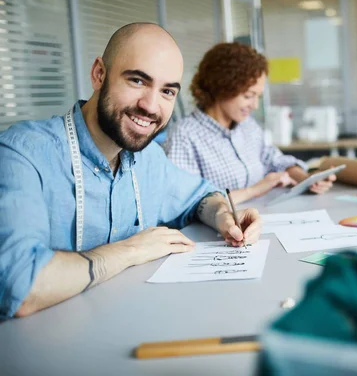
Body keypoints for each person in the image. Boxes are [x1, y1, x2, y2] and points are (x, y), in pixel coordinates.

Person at [0, 23, 262, 319]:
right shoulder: (22, 153)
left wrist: (224, 215)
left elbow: (199, 197)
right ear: (99, 74)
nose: (150, 106)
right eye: (137, 80)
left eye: (167, 91)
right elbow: (20, 286)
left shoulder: (148, 158)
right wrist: (130, 251)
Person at [163, 42, 335, 204]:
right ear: (221, 87)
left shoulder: (247, 126)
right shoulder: (184, 135)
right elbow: (185, 202)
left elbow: (273, 159)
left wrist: (305, 179)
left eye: (257, 96)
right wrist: (255, 190)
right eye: (248, 96)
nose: (254, 105)